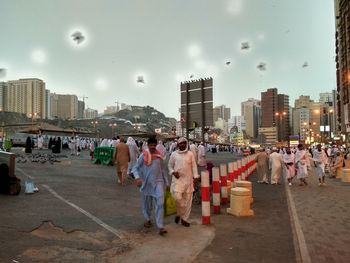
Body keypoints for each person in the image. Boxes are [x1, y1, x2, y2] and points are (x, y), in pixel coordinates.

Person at [133, 137, 169, 236]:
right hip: (146, 183)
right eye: (151, 145)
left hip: (158, 182)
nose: (153, 147)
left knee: (160, 203)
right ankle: (148, 219)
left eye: (154, 145)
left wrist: (167, 183)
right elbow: (135, 168)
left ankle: (160, 226)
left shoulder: (159, 156)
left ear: (156, 145)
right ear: (148, 145)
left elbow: (163, 170)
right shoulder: (143, 156)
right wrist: (137, 178)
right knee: (147, 205)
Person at [168, 137, 199, 227]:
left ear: (186, 144)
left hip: (188, 180)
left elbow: (194, 166)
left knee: (188, 200)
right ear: (178, 145)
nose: (183, 145)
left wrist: (196, 176)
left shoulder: (190, 154)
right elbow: (169, 166)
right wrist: (173, 172)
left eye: (184, 143)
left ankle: (184, 219)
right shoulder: (174, 154)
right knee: (177, 198)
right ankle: (179, 213)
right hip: (178, 181)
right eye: (181, 143)